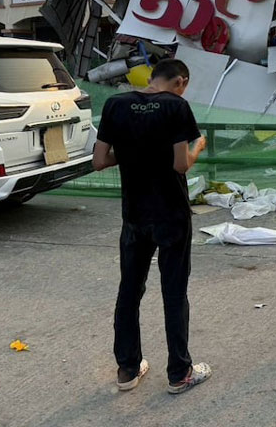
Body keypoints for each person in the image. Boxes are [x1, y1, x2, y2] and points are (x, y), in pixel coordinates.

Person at [93, 58, 212, 394]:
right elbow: (180, 164)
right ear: (181, 81)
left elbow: (100, 160)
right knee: (174, 293)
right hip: (171, 214)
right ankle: (180, 374)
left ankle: (127, 370)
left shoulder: (116, 104)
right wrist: (198, 146)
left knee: (129, 290)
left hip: (134, 215)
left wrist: (132, 152)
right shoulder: (177, 107)